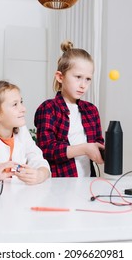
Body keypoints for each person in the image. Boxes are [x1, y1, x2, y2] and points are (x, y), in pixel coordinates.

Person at [34, 40, 104, 177]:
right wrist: (84, 148)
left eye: (88, 79)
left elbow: (98, 142)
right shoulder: (48, 108)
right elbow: (46, 149)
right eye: (78, 77)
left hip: (87, 181)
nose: (83, 85)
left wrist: (102, 152)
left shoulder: (91, 110)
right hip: (60, 183)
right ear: (60, 77)